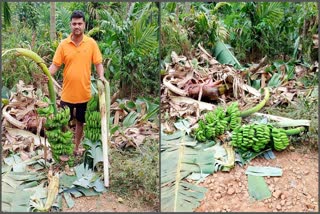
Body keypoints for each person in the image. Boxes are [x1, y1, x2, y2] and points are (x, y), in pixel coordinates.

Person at [48, 10, 106, 155]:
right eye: (74, 23)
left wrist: (101, 76)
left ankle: (76, 147)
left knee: (80, 122)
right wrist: (47, 75)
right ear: (70, 25)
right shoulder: (63, 45)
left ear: (84, 25)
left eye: (80, 23)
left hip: (84, 93)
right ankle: (65, 146)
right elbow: (55, 65)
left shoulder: (91, 44)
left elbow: (98, 63)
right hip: (67, 93)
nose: (77, 26)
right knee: (63, 122)